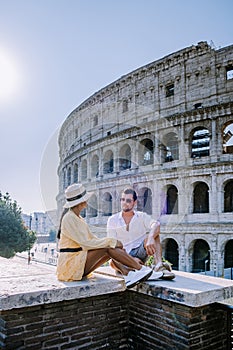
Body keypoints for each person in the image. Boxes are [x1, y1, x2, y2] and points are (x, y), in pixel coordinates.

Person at [56, 183, 153, 288]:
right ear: (81, 202)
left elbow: (92, 239)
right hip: (71, 267)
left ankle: (129, 274)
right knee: (107, 248)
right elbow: (86, 244)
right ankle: (141, 269)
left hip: (76, 263)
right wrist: (112, 242)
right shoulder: (69, 218)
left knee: (109, 249)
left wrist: (113, 243)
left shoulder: (77, 218)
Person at [107, 187, 175, 280]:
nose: (124, 203)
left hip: (140, 252)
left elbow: (156, 224)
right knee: (112, 260)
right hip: (122, 255)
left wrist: (151, 237)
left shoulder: (141, 216)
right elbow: (112, 244)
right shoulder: (112, 220)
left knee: (155, 234)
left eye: (128, 201)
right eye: (122, 200)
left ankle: (159, 265)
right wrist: (131, 260)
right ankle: (133, 269)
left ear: (134, 203)